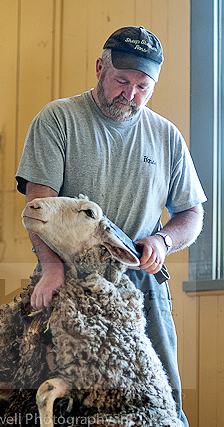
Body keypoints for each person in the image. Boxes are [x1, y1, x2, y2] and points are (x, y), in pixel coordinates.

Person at [16, 26, 207, 426]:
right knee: (58, 395)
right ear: (100, 68)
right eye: (122, 81)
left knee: (161, 397)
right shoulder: (59, 120)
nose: (131, 94)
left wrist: (163, 239)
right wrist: (50, 269)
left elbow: (192, 214)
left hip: (140, 285)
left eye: (143, 86)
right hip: (68, 280)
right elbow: (39, 206)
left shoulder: (166, 137)